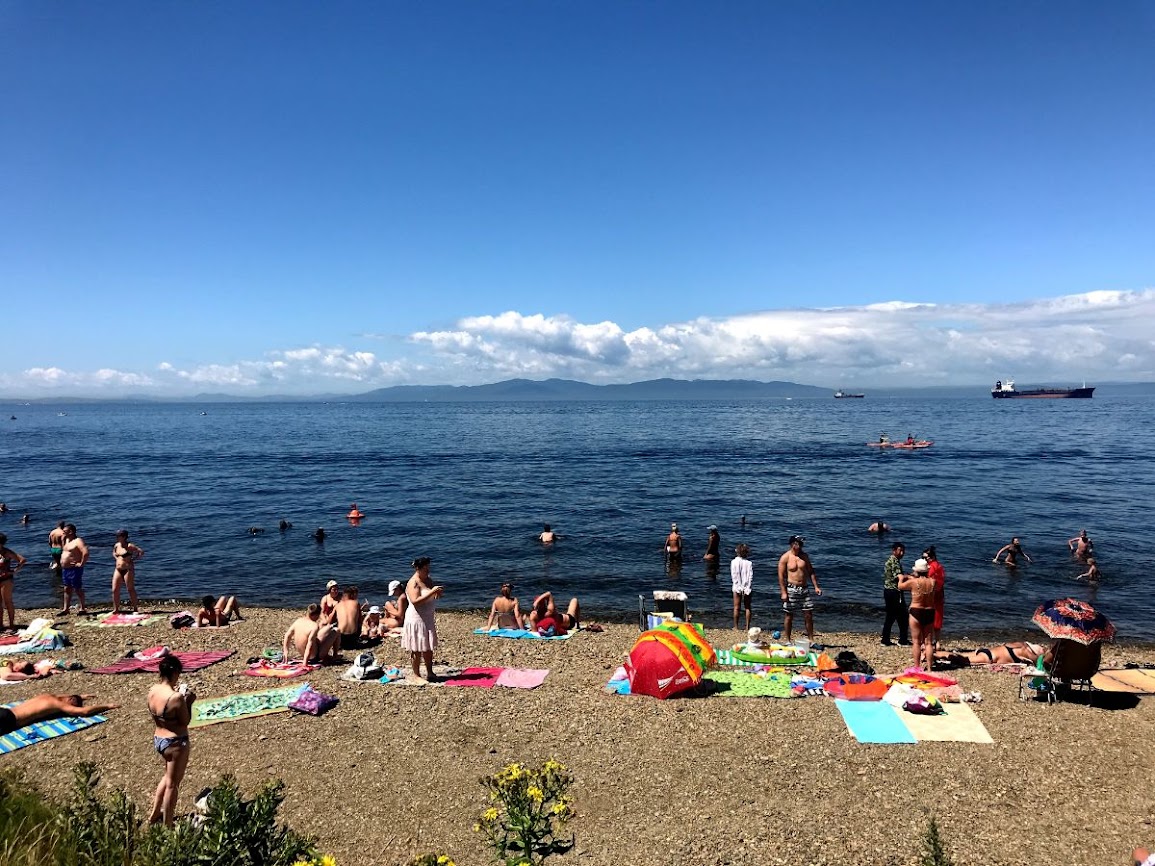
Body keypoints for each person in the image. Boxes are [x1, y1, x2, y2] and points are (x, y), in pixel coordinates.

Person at [147, 655, 194, 826]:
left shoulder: (153, 690)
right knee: (172, 785)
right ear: (175, 673)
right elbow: (185, 720)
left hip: (159, 737)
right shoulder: (175, 698)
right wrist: (189, 702)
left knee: (167, 777)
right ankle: (168, 824)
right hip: (176, 742)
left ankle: (154, 814)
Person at [0, 692, 118, 738]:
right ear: (71, 700)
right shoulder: (57, 704)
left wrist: (81, 696)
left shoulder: (47, 695)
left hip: (5, 711)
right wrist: (106, 706)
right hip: (10, 720)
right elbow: (84, 712)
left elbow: (67, 696)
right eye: (74, 704)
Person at [402, 557, 443, 680]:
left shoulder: (428, 580)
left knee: (428, 646)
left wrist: (437, 594)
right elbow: (415, 601)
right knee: (416, 647)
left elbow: (430, 596)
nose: (428, 571)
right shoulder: (413, 582)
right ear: (418, 569)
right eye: (425, 569)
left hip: (428, 617)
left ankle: (430, 672)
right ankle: (416, 674)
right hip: (416, 618)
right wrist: (432, 592)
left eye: (428, 568)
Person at [777, 535, 822, 644]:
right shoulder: (785, 557)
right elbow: (781, 575)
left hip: (804, 589)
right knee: (789, 615)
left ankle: (811, 640)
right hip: (791, 589)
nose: (801, 545)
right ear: (793, 544)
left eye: (802, 543)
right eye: (799, 543)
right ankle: (788, 640)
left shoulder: (804, 556)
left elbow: (811, 572)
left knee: (808, 614)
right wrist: (783, 592)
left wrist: (816, 586)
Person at [898, 558, 937, 671]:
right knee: (928, 642)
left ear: (916, 571)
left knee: (916, 642)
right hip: (929, 611)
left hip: (916, 610)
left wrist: (901, 578)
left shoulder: (913, 582)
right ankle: (930, 668)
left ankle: (917, 667)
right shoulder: (933, 582)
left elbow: (900, 586)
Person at [934, 641, 1052, 668]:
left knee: (958, 654)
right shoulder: (1025, 651)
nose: (1043, 649)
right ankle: (933, 655)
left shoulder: (1019, 643)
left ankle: (933, 653)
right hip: (989, 657)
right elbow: (1040, 662)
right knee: (963, 661)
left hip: (985, 650)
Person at [881, 542, 909, 646]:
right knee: (900, 616)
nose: (902, 553)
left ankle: (888, 639)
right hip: (894, 592)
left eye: (903, 551)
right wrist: (911, 577)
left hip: (889, 591)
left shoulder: (892, 560)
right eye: (900, 551)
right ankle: (900, 640)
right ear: (894, 551)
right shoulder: (894, 562)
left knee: (893, 615)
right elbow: (899, 577)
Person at [58, 523, 89, 615]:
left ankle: (82, 608)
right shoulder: (66, 540)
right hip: (65, 569)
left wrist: (81, 563)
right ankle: (66, 609)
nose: (62, 533)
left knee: (77, 588)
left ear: (71, 532)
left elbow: (85, 552)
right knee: (67, 588)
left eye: (64, 532)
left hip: (74, 569)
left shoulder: (78, 541)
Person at [110, 529, 144, 614]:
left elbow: (141, 551)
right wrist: (117, 558)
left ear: (124, 537)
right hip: (118, 569)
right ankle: (116, 609)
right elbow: (114, 553)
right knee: (115, 589)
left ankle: (135, 608)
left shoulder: (129, 546)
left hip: (128, 569)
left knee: (130, 588)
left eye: (119, 536)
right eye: (117, 536)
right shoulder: (117, 545)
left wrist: (134, 559)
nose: (117, 537)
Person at [0, 533, 26, 632]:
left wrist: (14, 570)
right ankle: (1, 625)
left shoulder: (7, 552)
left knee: (7, 602)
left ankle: (11, 625)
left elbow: (22, 560)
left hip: (6, 579)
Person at [924, 546, 946, 648]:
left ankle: (927, 642)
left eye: (925, 558)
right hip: (940, 593)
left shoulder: (931, 566)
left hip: (932, 594)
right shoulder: (939, 566)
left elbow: (928, 578)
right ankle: (937, 641)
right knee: (938, 616)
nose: (924, 560)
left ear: (931, 557)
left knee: (928, 617)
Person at [730, 543, 753, 630]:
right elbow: (750, 576)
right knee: (747, 607)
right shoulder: (749, 563)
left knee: (736, 607)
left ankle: (736, 626)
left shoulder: (734, 562)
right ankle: (747, 627)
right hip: (747, 587)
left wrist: (738, 586)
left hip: (737, 586)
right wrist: (747, 586)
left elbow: (734, 575)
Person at [334, 585, 363, 650]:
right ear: (351, 595)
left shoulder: (337, 605)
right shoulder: (356, 603)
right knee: (359, 622)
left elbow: (330, 620)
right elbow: (360, 620)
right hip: (353, 637)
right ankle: (355, 641)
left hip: (341, 638)